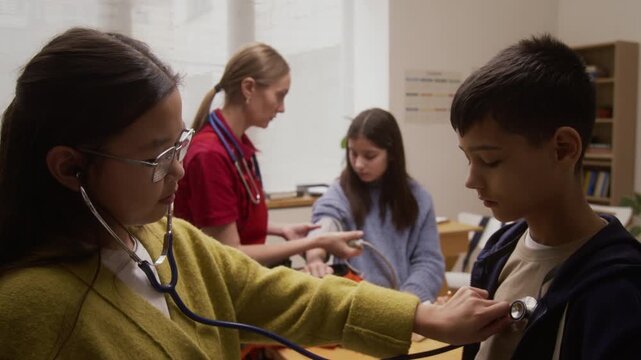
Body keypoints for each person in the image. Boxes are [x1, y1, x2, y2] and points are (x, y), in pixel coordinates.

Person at [0, 27, 510, 359]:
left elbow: (279, 293)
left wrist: (422, 315)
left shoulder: (160, 237)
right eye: (157, 157)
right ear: (71, 168)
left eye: (178, 144)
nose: (179, 170)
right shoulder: (28, 313)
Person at [451, 34, 641, 360]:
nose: (470, 180)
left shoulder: (618, 291)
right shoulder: (499, 254)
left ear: (563, 149)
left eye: (490, 161)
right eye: (468, 159)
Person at [174, 43, 359, 267]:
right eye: (279, 96)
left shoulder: (236, 145)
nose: (282, 108)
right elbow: (229, 252)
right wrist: (315, 242)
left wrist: (281, 229)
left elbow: (225, 221)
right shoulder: (210, 155)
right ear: (249, 88)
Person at [304, 108, 445, 302]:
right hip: (354, 304)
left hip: (403, 306)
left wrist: (406, 301)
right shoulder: (340, 192)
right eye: (353, 154)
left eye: (369, 156)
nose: (359, 164)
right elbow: (325, 224)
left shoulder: (419, 198)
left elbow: (428, 262)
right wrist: (315, 256)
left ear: (392, 154)